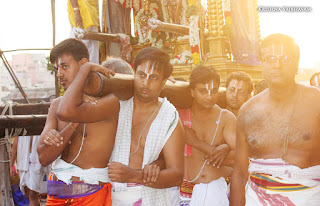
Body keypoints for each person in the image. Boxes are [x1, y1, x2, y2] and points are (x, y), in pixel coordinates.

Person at [56, 47, 185, 205]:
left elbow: (177, 174)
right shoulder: (115, 105)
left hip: (152, 198)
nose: (146, 82)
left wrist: (133, 175)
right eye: (141, 75)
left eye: (154, 78)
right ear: (133, 75)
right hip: (111, 197)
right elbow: (65, 112)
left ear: (164, 82)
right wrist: (86, 69)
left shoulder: (169, 115)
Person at [230, 33, 320, 206]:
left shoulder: (316, 102)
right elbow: (240, 173)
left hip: (309, 197)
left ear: (296, 65)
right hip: (257, 198)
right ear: (262, 64)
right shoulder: (248, 112)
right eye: (270, 59)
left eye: (285, 58)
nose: (277, 65)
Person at [37, 38, 119, 205]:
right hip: (56, 193)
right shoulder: (56, 106)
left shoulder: (109, 101)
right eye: (57, 68)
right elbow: (44, 157)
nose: (59, 74)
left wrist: (86, 70)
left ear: (83, 64)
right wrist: (74, 122)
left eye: (65, 66)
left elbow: (67, 112)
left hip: (91, 194)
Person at [178, 65, 236, 206]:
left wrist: (196, 143)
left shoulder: (226, 118)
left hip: (217, 192)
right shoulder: (179, 115)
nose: (209, 96)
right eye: (203, 91)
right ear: (192, 91)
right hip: (183, 193)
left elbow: (240, 159)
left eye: (214, 91)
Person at [10, 135, 50, 206]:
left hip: (37, 161)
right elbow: (15, 146)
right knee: (27, 195)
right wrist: (11, 166)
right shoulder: (20, 128)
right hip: (23, 162)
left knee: (33, 195)